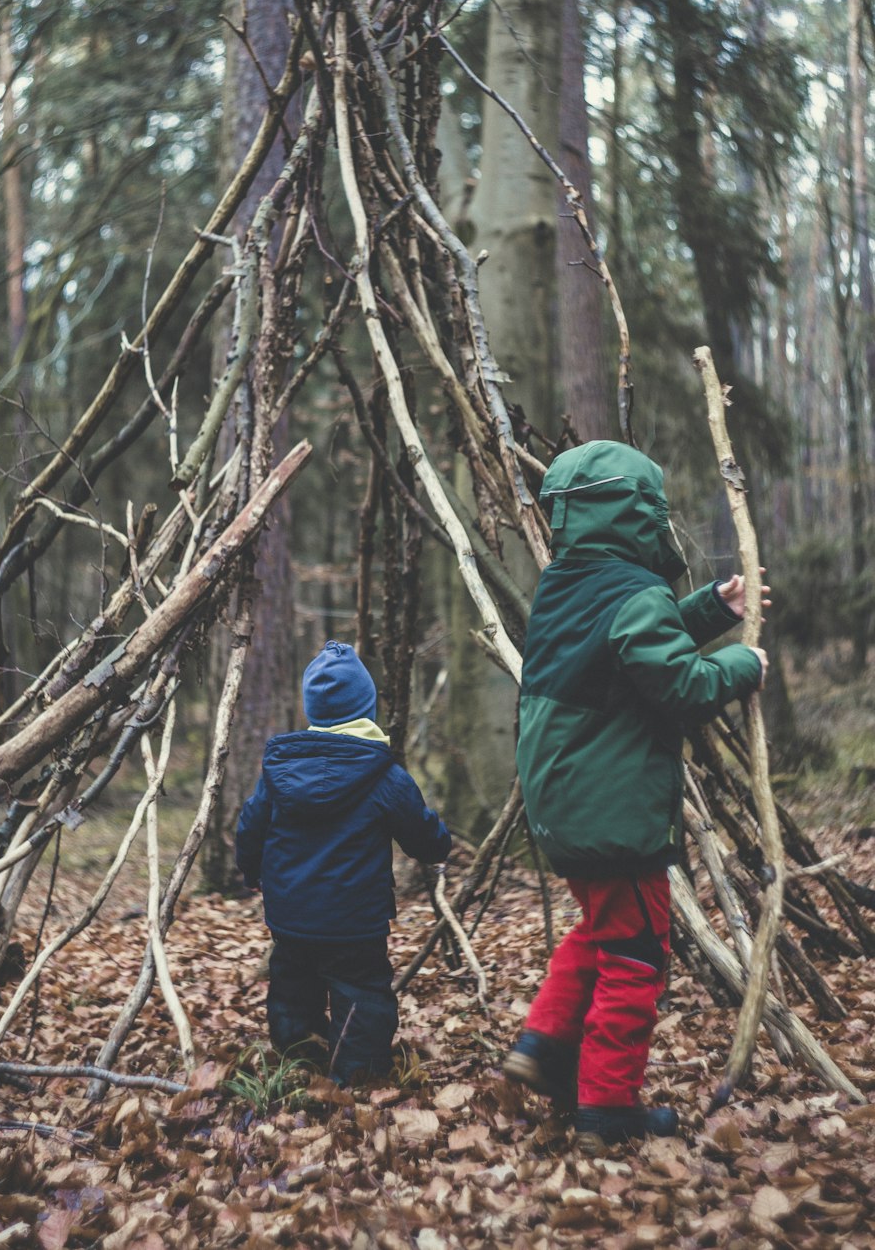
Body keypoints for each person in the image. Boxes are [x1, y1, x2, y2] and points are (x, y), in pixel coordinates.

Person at [503, 441, 768, 1149]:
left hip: (563, 805)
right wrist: (744, 662)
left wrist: (713, 607)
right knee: (638, 954)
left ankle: (545, 1044)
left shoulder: (566, 585)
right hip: (611, 810)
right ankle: (607, 1107)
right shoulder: (633, 593)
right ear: (638, 513)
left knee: (601, 928)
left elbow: (634, 643)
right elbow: (680, 684)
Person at [236, 640, 451, 1083]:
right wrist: (438, 846)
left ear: (313, 708)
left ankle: (297, 1062)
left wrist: (251, 871)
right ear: (366, 708)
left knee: (293, 988)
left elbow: (250, 827)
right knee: (361, 993)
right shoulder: (384, 775)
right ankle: (357, 1076)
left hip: (291, 914)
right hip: (356, 920)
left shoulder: (280, 772)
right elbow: (422, 832)